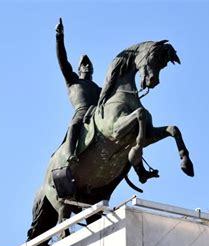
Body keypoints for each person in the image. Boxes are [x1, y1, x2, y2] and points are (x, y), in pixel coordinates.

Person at [56, 18, 158, 183]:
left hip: (98, 113)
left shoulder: (98, 88)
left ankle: (141, 171)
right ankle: (70, 154)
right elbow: (63, 60)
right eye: (84, 64)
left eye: (89, 64)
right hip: (82, 113)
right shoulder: (73, 81)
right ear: (79, 68)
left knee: (127, 135)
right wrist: (59, 38)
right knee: (74, 125)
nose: (87, 66)